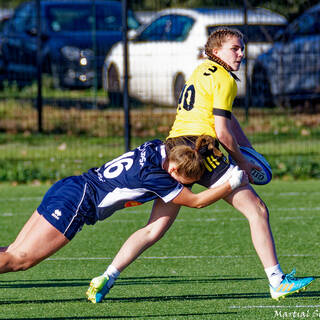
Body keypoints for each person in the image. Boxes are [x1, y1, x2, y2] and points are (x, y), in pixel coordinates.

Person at [87, 27, 314, 303]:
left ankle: (105, 278)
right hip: (201, 149)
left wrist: (248, 148)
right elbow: (221, 131)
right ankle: (277, 281)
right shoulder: (226, 80)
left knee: (154, 229)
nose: (241, 53)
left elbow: (228, 121)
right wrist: (241, 163)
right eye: (235, 48)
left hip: (174, 149)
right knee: (257, 210)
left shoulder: (202, 71)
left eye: (242, 48)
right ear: (216, 51)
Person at [0, 136, 247, 279]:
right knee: (20, 259)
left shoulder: (155, 147)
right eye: (185, 183)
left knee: (13, 250)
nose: (185, 189)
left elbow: (185, 152)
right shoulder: (157, 177)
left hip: (70, 185)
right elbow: (197, 202)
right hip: (78, 200)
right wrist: (233, 181)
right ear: (173, 171)